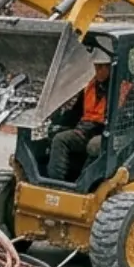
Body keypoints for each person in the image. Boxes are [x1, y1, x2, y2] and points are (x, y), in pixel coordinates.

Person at [48, 48, 116, 182]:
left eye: (101, 67)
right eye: (96, 67)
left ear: (110, 68)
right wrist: (58, 122)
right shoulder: (90, 87)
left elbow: (121, 119)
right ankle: (55, 182)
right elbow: (76, 112)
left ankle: (83, 183)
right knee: (59, 138)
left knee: (94, 145)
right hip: (85, 131)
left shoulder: (121, 89)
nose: (98, 71)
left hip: (107, 133)